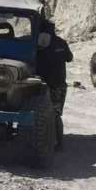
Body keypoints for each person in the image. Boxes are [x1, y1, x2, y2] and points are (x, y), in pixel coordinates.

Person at [35, 19, 72, 150]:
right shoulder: (61, 42)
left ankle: (47, 142)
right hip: (59, 85)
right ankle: (59, 143)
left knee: (40, 114)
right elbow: (70, 58)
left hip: (42, 85)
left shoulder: (38, 43)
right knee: (56, 114)